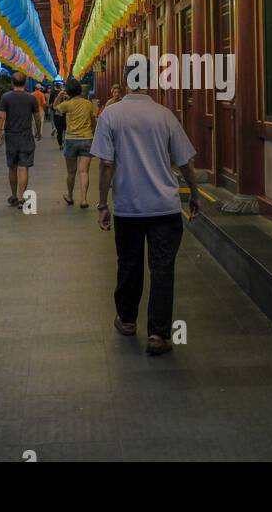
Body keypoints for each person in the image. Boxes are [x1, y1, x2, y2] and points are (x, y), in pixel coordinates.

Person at [91, 59, 201, 356]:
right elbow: (184, 161)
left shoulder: (111, 115)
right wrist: (194, 192)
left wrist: (102, 204)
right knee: (162, 269)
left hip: (128, 206)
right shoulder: (165, 116)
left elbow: (105, 164)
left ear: (126, 80)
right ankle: (158, 334)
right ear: (150, 81)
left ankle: (127, 320)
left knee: (129, 264)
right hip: (164, 207)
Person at [0, 70, 41, 207]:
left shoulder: (6, 97)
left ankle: (14, 195)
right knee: (24, 167)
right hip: (26, 135)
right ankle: (22, 197)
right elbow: (37, 117)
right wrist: (38, 131)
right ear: (26, 83)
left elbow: (2, 117)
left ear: (11, 83)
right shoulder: (31, 98)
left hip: (11, 136)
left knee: (12, 167)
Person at [54, 79, 95, 208]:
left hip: (71, 139)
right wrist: (94, 134)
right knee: (84, 172)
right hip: (87, 139)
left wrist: (59, 96)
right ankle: (84, 200)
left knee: (71, 172)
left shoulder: (67, 104)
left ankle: (70, 196)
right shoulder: (88, 104)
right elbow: (93, 121)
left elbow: (55, 107)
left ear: (68, 91)